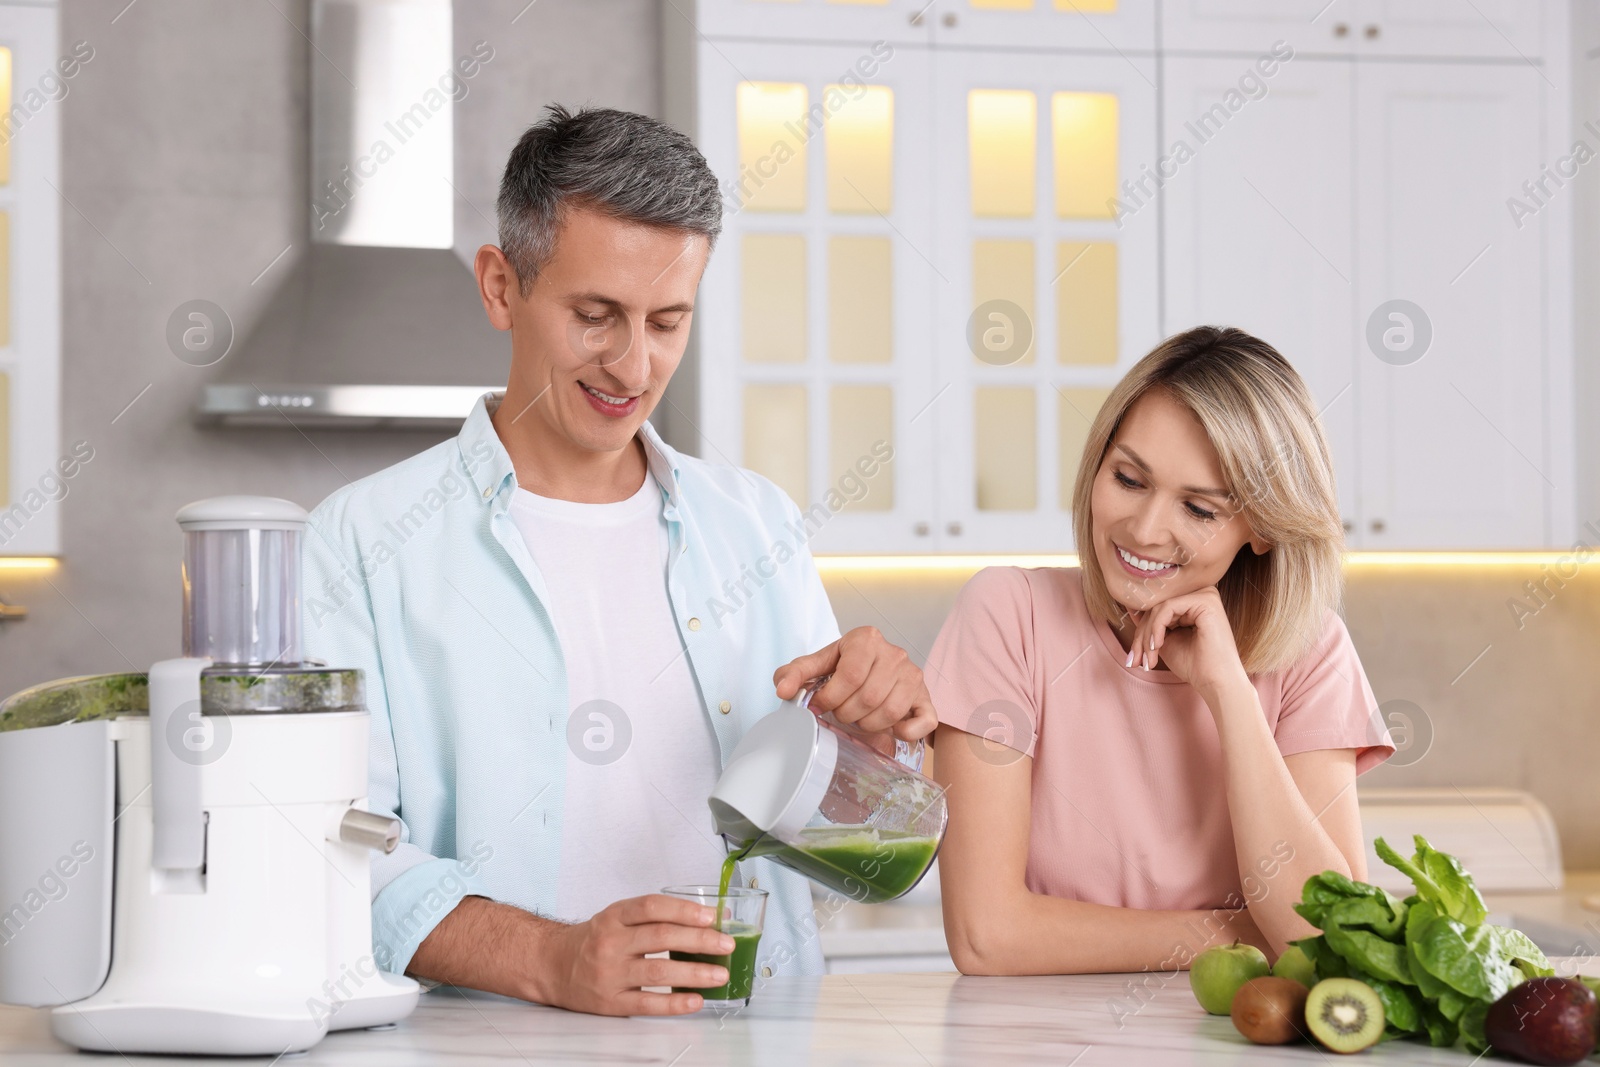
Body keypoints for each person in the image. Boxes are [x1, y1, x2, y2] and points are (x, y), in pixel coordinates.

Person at [300, 104, 936, 1016]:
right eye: (596, 317)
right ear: (500, 286)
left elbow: (839, 835)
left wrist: (871, 751)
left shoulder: (757, 525)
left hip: (749, 1036)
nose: (633, 365)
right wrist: (551, 959)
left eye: (668, 321)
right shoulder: (360, 542)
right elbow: (338, 844)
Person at [926, 326, 1394, 977]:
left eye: (1199, 508)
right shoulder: (1009, 615)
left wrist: (1228, 691)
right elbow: (988, 935)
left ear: (1261, 527)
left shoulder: (1311, 651)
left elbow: (1331, 938)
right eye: (1129, 478)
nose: (1145, 529)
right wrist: (1248, 932)